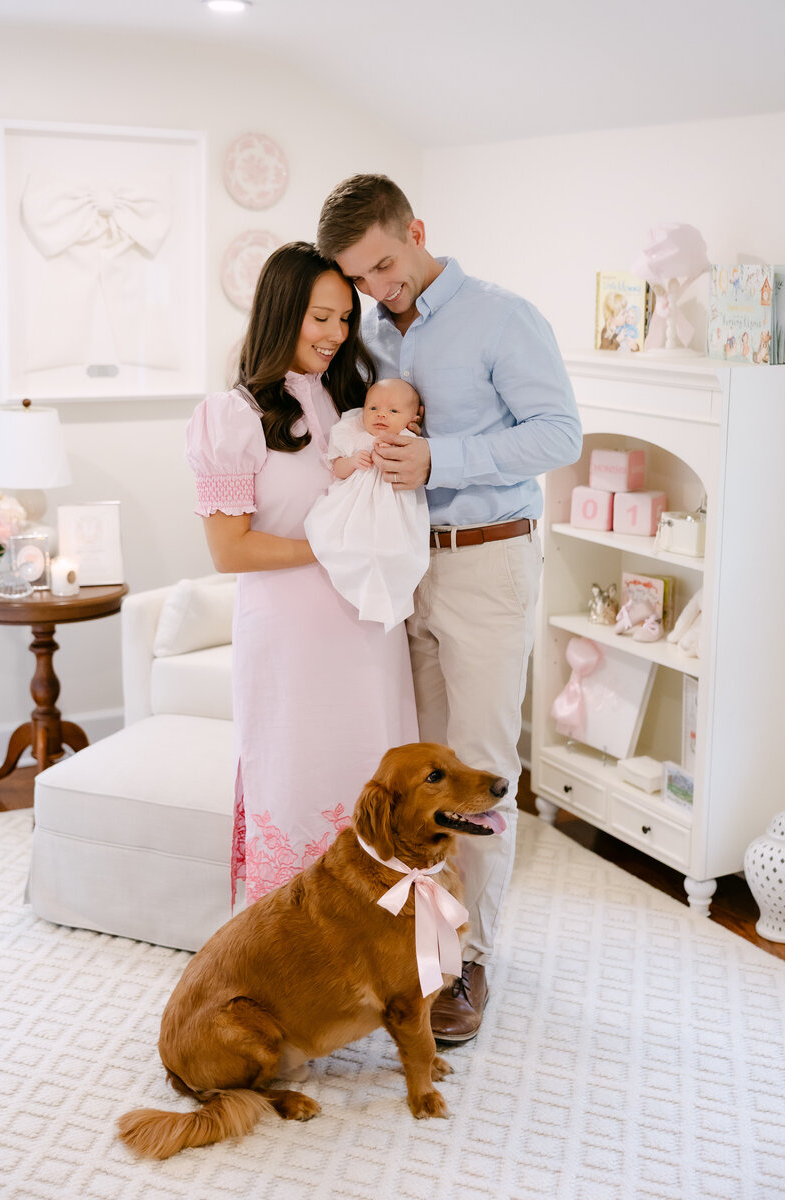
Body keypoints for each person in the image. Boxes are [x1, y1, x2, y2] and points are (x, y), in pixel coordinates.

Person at [317, 175, 582, 1042]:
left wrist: (442, 460)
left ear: (417, 231)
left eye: (385, 266)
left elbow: (558, 435)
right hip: (406, 571)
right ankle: (426, 944)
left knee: (476, 767)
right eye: (359, 278)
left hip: (487, 562)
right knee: (422, 777)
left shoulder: (505, 317)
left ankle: (473, 964)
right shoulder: (376, 333)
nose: (376, 289)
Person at [185, 241, 418, 907]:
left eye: (345, 319)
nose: (336, 334)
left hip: (367, 629)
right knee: (294, 779)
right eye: (321, 317)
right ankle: (292, 958)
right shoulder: (231, 416)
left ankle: (378, 953)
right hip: (289, 638)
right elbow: (229, 551)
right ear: (282, 311)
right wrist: (332, 547)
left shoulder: (349, 401)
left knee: (372, 780)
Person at [304, 376, 429, 631]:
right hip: (353, 506)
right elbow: (337, 468)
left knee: (392, 550)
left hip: (392, 509)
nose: (381, 415)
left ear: (413, 418)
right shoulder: (351, 433)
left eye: (393, 411)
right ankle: (362, 596)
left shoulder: (408, 440)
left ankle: (384, 601)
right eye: (373, 408)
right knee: (350, 542)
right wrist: (352, 462)